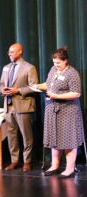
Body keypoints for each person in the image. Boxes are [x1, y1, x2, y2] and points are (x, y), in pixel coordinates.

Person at [35, 46, 84, 178]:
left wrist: (57, 96)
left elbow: (76, 93)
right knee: (54, 137)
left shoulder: (72, 73)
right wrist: (36, 86)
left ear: (65, 61)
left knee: (69, 139)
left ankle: (69, 168)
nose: (56, 65)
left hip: (68, 111)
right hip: (52, 110)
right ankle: (55, 165)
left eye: (58, 63)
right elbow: (49, 84)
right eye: (54, 62)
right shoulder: (53, 70)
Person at [0, 43, 39, 172]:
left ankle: (27, 161)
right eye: (9, 52)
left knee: (26, 135)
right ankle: (14, 160)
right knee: (11, 135)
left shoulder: (29, 68)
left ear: (20, 52)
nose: (9, 54)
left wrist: (18, 90)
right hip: (8, 106)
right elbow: (1, 84)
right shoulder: (6, 67)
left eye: (12, 52)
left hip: (23, 105)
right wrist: (2, 90)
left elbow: (34, 87)